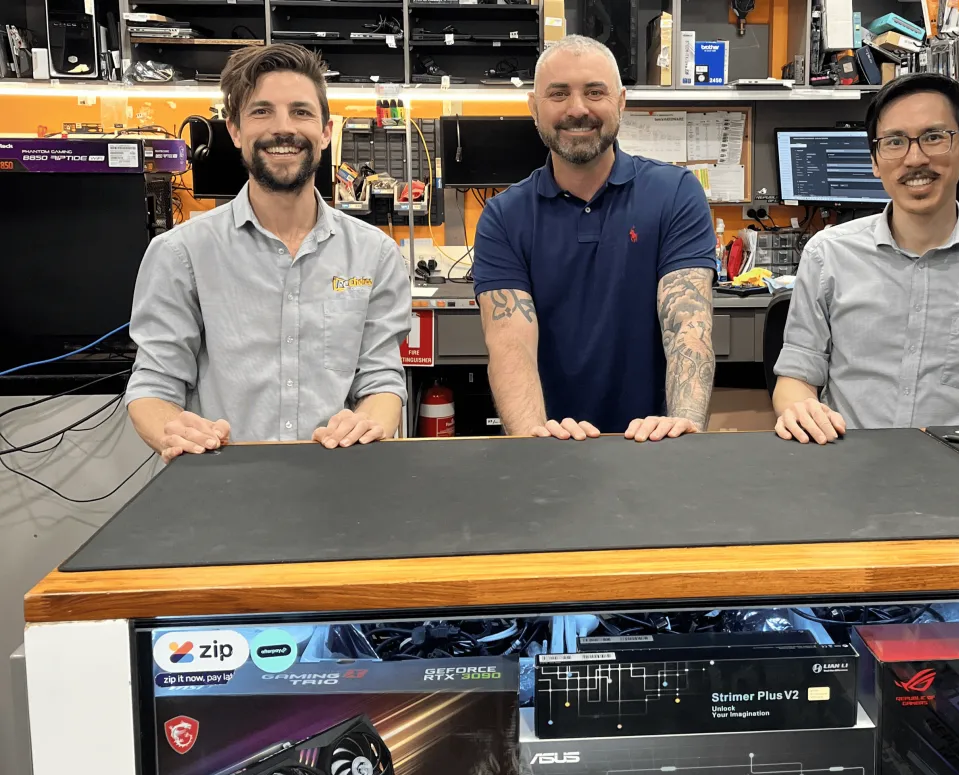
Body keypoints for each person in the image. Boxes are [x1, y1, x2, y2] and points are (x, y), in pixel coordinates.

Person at [124, 44, 411, 462]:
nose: (283, 128)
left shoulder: (375, 255)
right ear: (235, 130)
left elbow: (381, 379)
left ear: (326, 131)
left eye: (301, 111)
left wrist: (369, 422)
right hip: (222, 481)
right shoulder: (180, 253)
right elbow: (153, 385)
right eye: (261, 111)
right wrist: (175, 430)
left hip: (336, 479)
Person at [773, 73, 959, 445]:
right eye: (894, 141)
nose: (915, 159)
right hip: (847, 460)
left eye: (934, 137)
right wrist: (799, 407)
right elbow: (795, 378)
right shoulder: (827, 255)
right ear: (875, 161)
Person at [472, 35, 718, 442]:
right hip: (550, 443)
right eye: (558, 94)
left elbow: (688, 329)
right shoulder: (503, 217)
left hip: (653, 443)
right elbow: (510, 347)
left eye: (594, 92)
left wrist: (683, 428)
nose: (577, 109)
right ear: (534, 108)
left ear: (620, 102)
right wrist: (533, 440)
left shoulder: (676, 193)